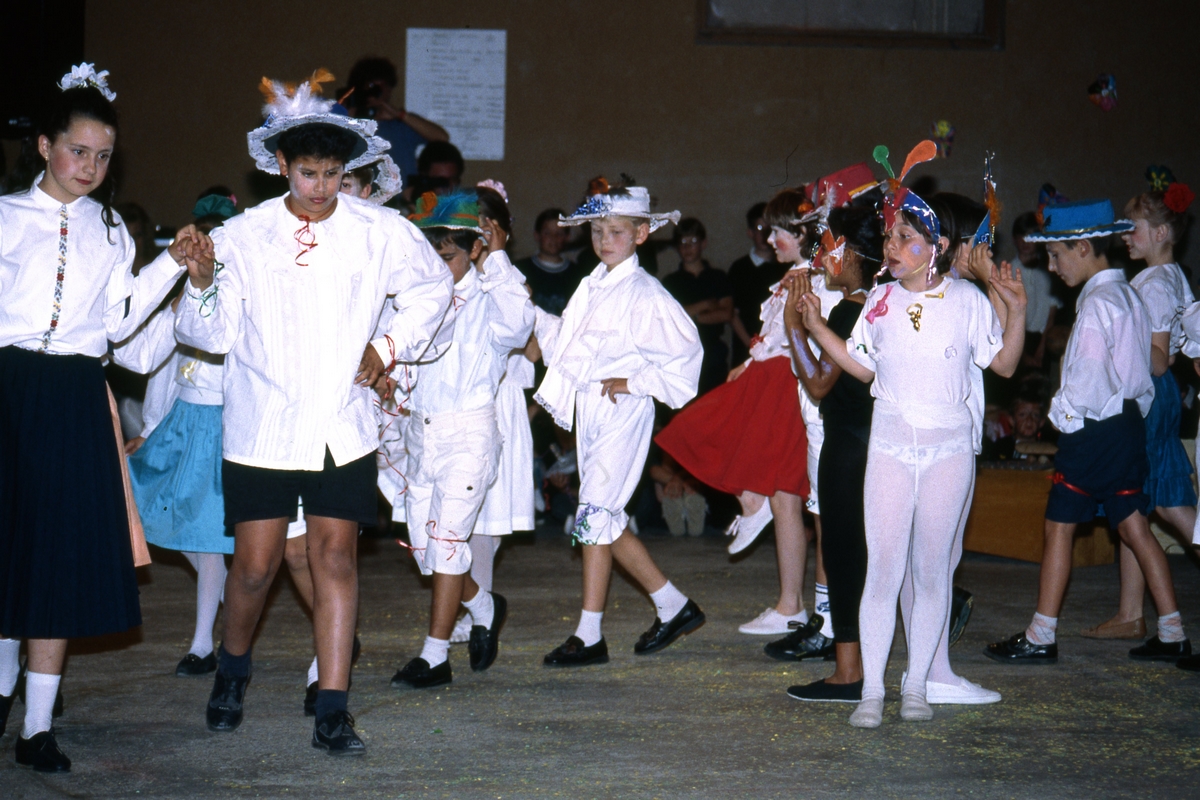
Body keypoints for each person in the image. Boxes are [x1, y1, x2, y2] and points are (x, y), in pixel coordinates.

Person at [174, 70, 454, 756]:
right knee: (255, 567)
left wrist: (386, 347)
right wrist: (204, 280)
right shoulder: (243, 235)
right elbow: (208, 337)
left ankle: (333, 707)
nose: (321, 187)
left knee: (335, 559)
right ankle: (232, 672)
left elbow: (433, 290)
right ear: (280, 167)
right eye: (307, 173)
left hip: (341, 421)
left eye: (333, 173)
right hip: (263, 423)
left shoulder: (379, 230)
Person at [0, 64, 189, 771]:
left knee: (55, 559)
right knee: (9, 544)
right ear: (45, 146)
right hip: (10, 383)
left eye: (104, 156)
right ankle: (3, 686)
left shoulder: (112, 231)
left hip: (76, 394)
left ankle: (38, 728)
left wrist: (170, 266)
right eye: (78, 150)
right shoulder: (5, 217)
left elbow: (120, 328)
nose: (90, 166)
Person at [800, 141, 1026, 727]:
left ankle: (918, 687)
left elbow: (1002, 366)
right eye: (892, 237)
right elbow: (864, 367)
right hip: (892, 449)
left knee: (932, 572)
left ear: (937, 248)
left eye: (906, 239)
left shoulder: (968, 301)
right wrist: (818, 329)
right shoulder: (877, 299)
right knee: (884, 569)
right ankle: (873, 690)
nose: (893, 248)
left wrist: (1017, 312)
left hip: (949, 449)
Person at [986, 199, 1191, 667]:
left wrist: (1062, 417)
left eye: (1057, 255)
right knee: (1137, 528)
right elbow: (1142, 375)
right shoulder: (1130, 297)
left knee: (1058, 526)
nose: (1053, 267)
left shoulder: (1098, 303)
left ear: (1083, 246)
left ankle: (1041, 633)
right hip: (1127, 428)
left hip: (1093, 429)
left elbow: (1088, 377)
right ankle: (1173, 629)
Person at [534, 183, 706, 666]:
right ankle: (672, 605)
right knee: (600, 517)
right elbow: (567, 344)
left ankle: (591, 633)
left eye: (615, 231)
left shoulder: (645, 293)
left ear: (641, 234)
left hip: (622, 412)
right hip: (591, 408)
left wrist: (635, 380)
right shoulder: (592, 285)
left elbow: (687, 359)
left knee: (594, 515)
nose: (604, 239)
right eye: (596, 230)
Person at [655, 185, 818, 641]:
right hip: (781, 383)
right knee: (785, 496)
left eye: (781, 231)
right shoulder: (792, 279)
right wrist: (751, 359)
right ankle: (791, 603)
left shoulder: (812, 280)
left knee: (783, 490)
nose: (771, 239)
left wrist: (758, 362)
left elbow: (802, 339)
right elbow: (775, 337)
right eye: (770, 231)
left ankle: (751, 501)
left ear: (805, 232)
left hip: (794, 390)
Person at [390, 190, 534, 688]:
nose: (437, 265)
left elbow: (519, 326)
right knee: (427, 549)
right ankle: (482, 602)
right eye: (431, 255)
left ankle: (434, 656)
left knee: (449, 543)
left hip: (469, 434)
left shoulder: (493, 297)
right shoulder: (418, 301)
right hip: (420, 435)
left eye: (448, 255)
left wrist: (498, 260)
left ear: (473, 250)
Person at [1082, 183, 1197, 640]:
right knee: (1134, 503)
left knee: (1169, 505)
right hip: (1155, 394)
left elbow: (1159, 358)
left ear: (1162, 231)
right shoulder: (1170, 276)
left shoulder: (1153, 284)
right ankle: (1131, 612)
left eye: (1134, 229)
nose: (1126, 236)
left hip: (1153, 394)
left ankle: (1136, 613)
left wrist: (1115, 340)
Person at [780, 205, 878, 702]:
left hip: (848, 447)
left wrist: (794, 326)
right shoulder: (886, 303)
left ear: (854, 253)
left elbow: (819, 384)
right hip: (879, 445)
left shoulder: (849, 311)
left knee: (842, 555)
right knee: (871, 555)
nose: (821, 256)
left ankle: (848, 672)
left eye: (827, 246)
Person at [448, 181, 540, 644]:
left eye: (484, 228)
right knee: (456, 516)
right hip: (454, 400)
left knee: (486, 516)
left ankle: (477, 604)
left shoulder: (509, 281)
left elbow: (532, 346)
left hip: (495, 402)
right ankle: (471, 600)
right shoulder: (449, 275)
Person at [338, 56, 448, 185]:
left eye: (383, 86)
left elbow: (442, 138)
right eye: (372, 86)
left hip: (400, 200)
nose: (378, 93)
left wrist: (399, 115)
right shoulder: (350, 123)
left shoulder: (401, 125)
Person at [662, 217, 734, 395]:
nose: (687, 247)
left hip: (713, 353)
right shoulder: (670, 282)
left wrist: (691, 316)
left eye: (693, 241)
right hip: (682, 355)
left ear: (703, 243)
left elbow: (726, 314)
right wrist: (705, 304)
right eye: (682, 242)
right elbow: (669, 317)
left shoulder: (718, 276)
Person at [728, 202, 787, 365]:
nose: (765, 234)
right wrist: (751, 345)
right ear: (750, 233)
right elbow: (733, 313)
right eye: (760, 228)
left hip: (777, 348)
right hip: (746, 348)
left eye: (769, 228)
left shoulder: (785, 267)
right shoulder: (739, 268)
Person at [516, 208, 591, 317]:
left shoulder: (578, 275)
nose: (553, 238)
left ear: (567, 237)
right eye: (547, 233)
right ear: (537, 235)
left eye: (559, 234)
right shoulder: (520, 270)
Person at [1011, 212, 1061, 370]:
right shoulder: (1009, 270)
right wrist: (1022, 355)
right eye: (1021, 236)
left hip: (1045, 337)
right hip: (1018, 340)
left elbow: (1052, 310)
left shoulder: (1049, 268)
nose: (1026, 241)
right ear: (1014, 239)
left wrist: (1043, 345)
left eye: (1031, 236)